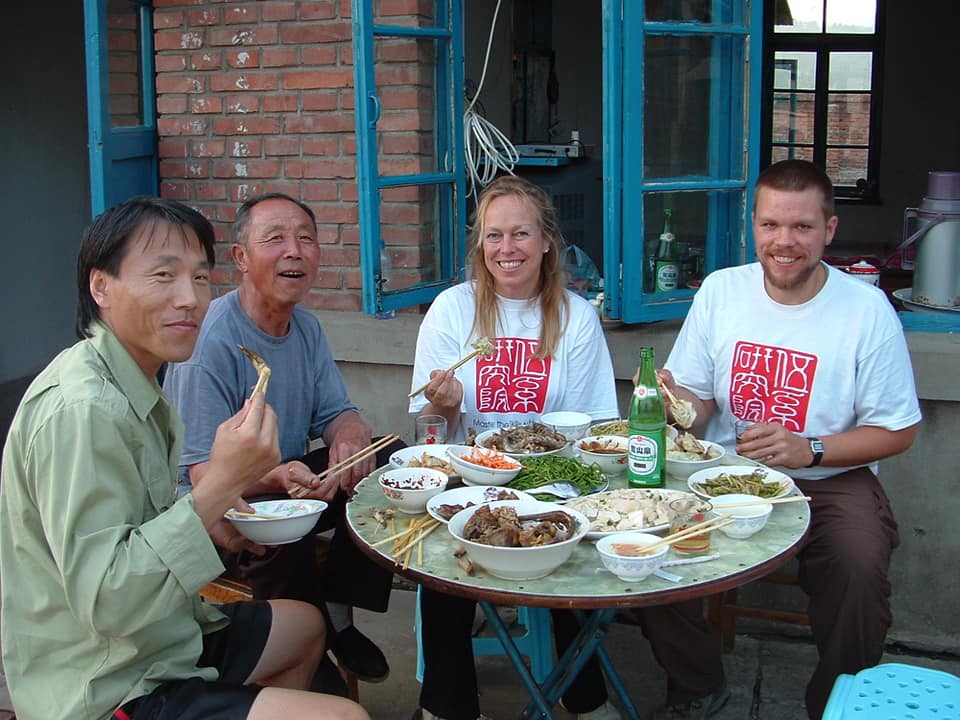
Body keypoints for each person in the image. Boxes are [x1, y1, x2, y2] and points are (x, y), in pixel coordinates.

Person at [0, 196, 367, 720]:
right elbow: (108, 603)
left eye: (198, 278)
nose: (190, 299)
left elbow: (148, 516)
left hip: (169, 628)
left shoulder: (141, 380)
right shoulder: (83, 410)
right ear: (101, 286)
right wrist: (224, 482)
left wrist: (215, 522)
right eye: (163, 276)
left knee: (306, 627)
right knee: (344, 717)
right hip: (109, 679)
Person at [659, 159, 922, 720]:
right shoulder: (721, 291)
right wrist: (673, 404)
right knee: (650, 544)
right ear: (752, 225)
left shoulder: (865, 310)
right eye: (771, 225)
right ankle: (697, 682)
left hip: (828, 479)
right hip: (722, 475)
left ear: (829, 230)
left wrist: (812, 448)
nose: (784, 242)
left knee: (859, 563)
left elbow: (899, 430)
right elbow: (698, 406)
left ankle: (837, 703)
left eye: (802, 227)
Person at [163, 192, 403, 687]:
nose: (294, 250)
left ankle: (337, 607)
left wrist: (351, 437)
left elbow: (337, 412)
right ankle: (309, 661)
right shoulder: (209, 342)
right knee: (283, 526)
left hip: (288, 481)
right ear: (241, 258)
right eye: (275, 239)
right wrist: (274, 475)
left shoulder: (307, 328)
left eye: (306, 238)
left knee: (392, 460)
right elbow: (200, 474)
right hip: (217, 508)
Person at [409, 175, 621, 720]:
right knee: (440, 566)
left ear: (547, 240)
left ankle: (584, 698)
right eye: (494, 236)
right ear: (480, 245)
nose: (508, 249)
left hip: (553, 474)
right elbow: (428, 428)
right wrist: (448, 404)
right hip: (470, 472)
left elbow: (594, 427)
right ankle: (448, 707)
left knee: (568, 550)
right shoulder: (453, 310)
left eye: (521, 234)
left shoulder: (576, 316)